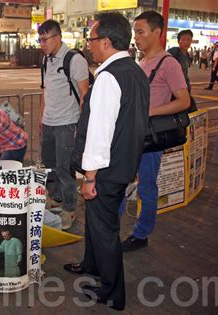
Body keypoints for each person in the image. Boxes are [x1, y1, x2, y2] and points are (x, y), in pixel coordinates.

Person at [63, 12, 150, 311]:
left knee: (105, 229)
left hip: (107, 169)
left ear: (107, 41)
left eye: (92, 38)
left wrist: (90, 178)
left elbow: (100, 132)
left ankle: (113, 293)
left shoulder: (109, 77)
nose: (89, 45)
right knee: (97, 223)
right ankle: (92, 264)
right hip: (124, 163)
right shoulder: (135, 71)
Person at [120, 11, 190, 251]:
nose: (136, 37)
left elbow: (183, 101)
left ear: (158, 32)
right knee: (122, 180)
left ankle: (141, 234)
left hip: (150, 138)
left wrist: (149, 112)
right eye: (135, 32)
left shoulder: (169, 63)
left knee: (147, 186)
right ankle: (110, 227)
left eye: (141, 32)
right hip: (133, 134)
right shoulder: (142, 60)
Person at [37, 19, 90, 230]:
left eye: (44, 39)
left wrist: (81, 126)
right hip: (48, 122)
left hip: (67, 123)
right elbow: (44, 91)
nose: (41, 43)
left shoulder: (74, 60)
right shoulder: (46, 60)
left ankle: (69, 208)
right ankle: (56, 198)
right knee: (49, 164)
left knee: (64, 168)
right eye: (39, 39)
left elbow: (84, 95)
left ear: (57, 37)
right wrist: (41, 119)